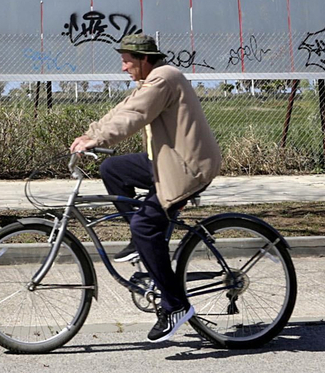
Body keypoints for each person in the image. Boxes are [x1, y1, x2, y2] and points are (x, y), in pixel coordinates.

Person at [70, 32, 222, 343]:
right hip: (165, 160)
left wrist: (98, 140)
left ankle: (175, 305)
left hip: (187, 168)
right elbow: (123, 109)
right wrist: (90, 135)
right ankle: (143, 243)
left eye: (127, 61)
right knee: (112, 168)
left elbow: (135, 115)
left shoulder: (164, 78)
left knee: (144, 226)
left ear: (145, 59)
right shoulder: (152, 80)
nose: (124, 67)